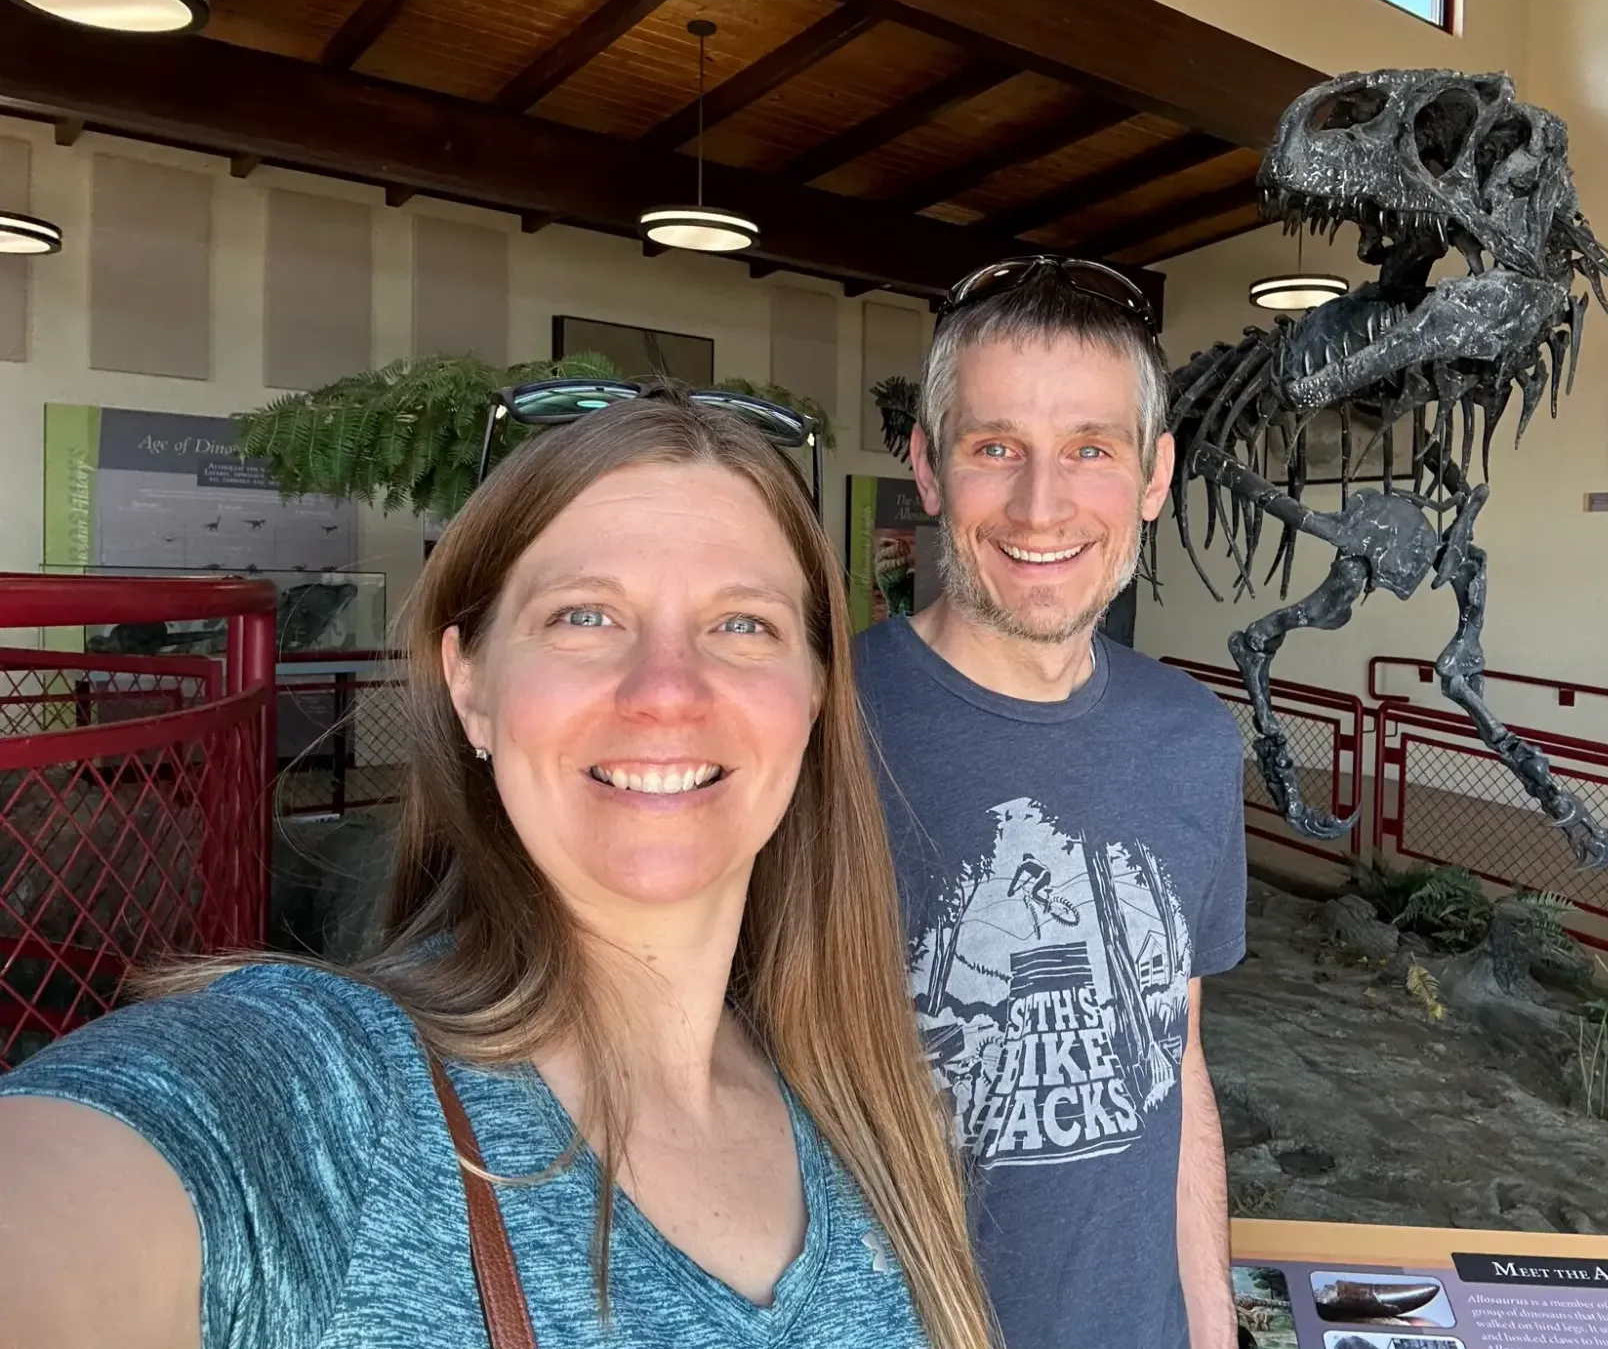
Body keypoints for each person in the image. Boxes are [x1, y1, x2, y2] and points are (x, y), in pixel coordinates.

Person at [0, 393, 994, 1349]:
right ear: (469, 684)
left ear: (815, 693)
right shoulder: (330, 1089)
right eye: (584, 615)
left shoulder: (872, 1111)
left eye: (744, 623)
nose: (665, 688)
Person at [853, 257, 1249, 1349]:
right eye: (995, 449)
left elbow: (1173, 1057)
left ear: (1154, 475)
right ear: (927, 468)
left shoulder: (1190, 741)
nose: (1041, 505)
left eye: (1089, 449)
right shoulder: (809, 729)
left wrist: (1210, 1324)